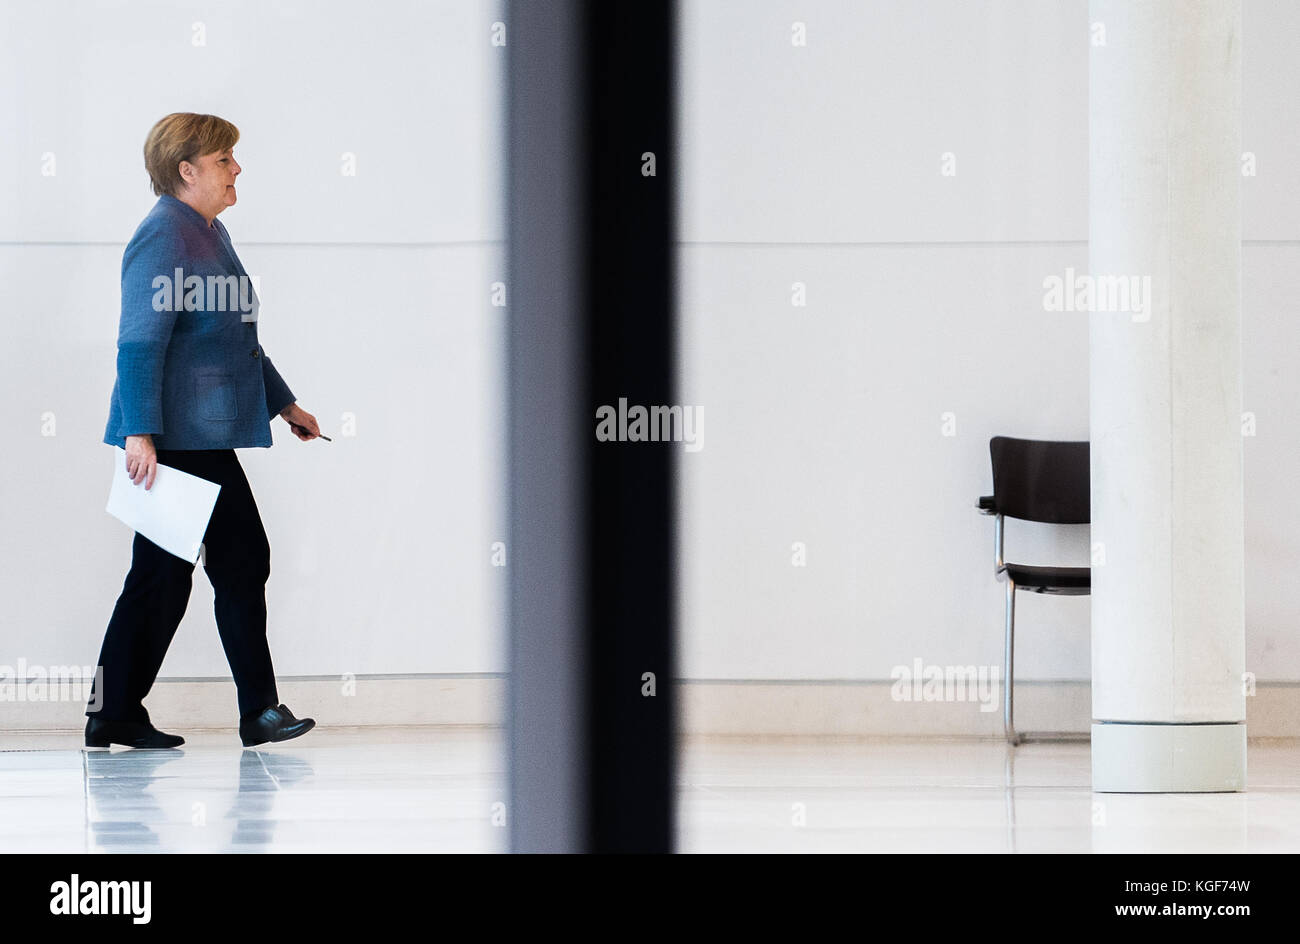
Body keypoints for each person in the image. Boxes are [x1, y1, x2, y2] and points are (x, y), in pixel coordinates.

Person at [86, 113, 317, 749]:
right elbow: (138, 342)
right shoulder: (165, 237)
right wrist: (139, 433)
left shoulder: (209, 232)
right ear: (186, 170)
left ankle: (116, 712)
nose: (236, 168)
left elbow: (236, 337)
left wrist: (284, 403)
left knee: (168, 574)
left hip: (197, 435)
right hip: (174, 438)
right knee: (225, 562)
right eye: (224, 160)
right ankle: (254, 711)